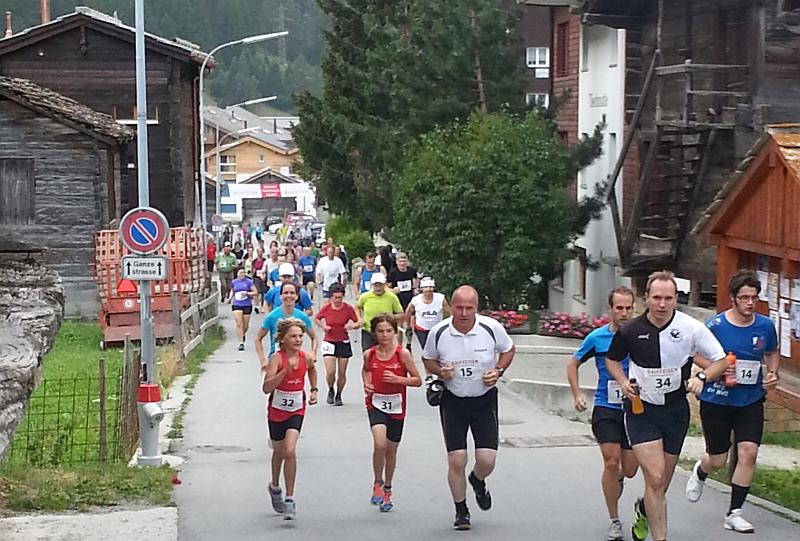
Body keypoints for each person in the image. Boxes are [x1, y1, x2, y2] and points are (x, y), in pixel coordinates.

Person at [605, 270, 726, 541]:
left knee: (661, 483)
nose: (662, 304)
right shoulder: (630, 330)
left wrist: (702, 377)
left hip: (674, 411)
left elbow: (721, 359)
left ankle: (645, 510)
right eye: (656, 297)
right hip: (641, 410)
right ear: (646, 298)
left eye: (668, 298)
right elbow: (612, 360)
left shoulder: (691, 327)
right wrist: (623, 381)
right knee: (655, 477)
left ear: (676, 299)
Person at [684, 270, 780, 533]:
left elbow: (771, 353)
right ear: (733, 299)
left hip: (750, 400)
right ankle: (702, 471)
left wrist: (772, 373)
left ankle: (734, 512)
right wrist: (720, 368)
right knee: (717, 459)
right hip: (718, 399)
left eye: (754, 298)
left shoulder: (765, 326)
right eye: (745, 297)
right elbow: (696, 355)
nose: (750, 303)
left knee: (749, 452)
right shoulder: (716, 327)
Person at [422, 285, 515, 531]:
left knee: (486, 460)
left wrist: (499, 371)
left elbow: (508, 350)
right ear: (451, 307)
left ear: (476, 308)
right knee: (457, 458)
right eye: (459, 308)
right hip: (453, 401)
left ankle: (477, 479)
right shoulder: (439, 331)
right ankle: (461, 510)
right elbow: (428, 359)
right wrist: (439, 371)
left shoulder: (490, 328)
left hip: (484, 400)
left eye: (469, 308)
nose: (463, 313)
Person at [567, 287, 639, 541]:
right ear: (610, 309)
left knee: (629, 469)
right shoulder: (597, 338)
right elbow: (573, 363)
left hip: (636, 410)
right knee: (610, 461)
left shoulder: (642, 335)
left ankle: (619, 476)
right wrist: (577, 394)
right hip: (606, 408)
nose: (624, 313)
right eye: (619, 308)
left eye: (628, 307)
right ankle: (615, 520)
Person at [362, 313, 422, 512]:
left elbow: (417, 380)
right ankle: (377, 483)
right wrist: (367, 383)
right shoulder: (369, 354)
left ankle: (388, 488)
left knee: (391, 449)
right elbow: (366, 370)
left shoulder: (402, 354)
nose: (385, 335)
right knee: (379, 444)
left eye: (389, 331)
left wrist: (399, 380)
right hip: (376, 403)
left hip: (396, 405)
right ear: (374, 333)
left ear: (395, 332)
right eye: (380, 331)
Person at [263, 318, 319, 521]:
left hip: (297, 409)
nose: (297, 340)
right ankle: (275, 486)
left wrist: (313, 390)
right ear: (283, 339)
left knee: (290, 450)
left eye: (300, 336)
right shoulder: (277, 359)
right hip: (276, 411)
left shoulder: (306, 357)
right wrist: (283, 373)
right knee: (278, 452)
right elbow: (266, 388)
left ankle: (290, 498)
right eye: (293, 336)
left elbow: (312, 369)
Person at [314, 283, 361, 405]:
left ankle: (339, 394)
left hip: (343, 341)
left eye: (340, 297)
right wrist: (323, 326)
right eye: (335, 297)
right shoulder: (327, 308)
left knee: (341, 373)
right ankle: (330, 389)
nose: (338, 300)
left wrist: (351, 326)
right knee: (330, 371)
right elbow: (317, 318)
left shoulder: (348, 309)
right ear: (331, 297)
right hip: (329, 340)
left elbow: (358, 322)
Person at [255, 282, 318, 360]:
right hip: (276, 361)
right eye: (285, 293)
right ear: (280, 296)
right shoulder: (272, 316)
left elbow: (314, 338)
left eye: (292, 293)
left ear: (296, 296)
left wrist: (313, 352)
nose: (289, 296)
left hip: (296, 361)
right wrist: (262, 360)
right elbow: (258, 338)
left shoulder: (302, 316)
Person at [406, 277, 450, 367]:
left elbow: (449, 312)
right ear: (422, 289)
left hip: (437, 329)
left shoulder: (440, 298)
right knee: (427, 353)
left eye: (430, 287)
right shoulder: (416, 300)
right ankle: (428, 374)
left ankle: (440, 372)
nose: (428, 290)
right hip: (422, 329)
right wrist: (408, 326)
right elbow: (408, 312)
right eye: (426, 287)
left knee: (439, 351)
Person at [357, 273, 404, 352]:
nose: (378, 288)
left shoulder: (392, 297)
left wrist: (390, 317)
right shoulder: (365, 296)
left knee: (385, 356)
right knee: (368, 356)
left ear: (385, 284)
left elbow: (401, 314)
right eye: (376, 285)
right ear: (372, 285)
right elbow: (357, 307)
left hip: (385, 333)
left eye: (381, 285)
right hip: (369, 332)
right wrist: (359, 318)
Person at [387, 252, 419, 347]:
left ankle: (408, 344)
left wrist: (415, 288)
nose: (402, 263)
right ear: (397, 262)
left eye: (404, 261)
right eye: (400, 261)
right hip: (398, 301)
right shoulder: (393, 273)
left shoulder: (411, 271)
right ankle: (399, 346)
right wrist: (393, 290)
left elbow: (416, 280)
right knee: (400, 325)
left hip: (410, 300)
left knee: (409, 324)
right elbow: (387, 287)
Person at [230, 268, 258, 351]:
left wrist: (247, 293)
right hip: (236, 304)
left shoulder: (249, 282)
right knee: (239, 323)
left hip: (247, 304)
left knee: (245, 325)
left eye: (243, 272)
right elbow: (232, 291)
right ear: (237, 274)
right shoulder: (234, 282)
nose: (242, 274)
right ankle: (241, 343)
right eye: (240, 272)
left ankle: (242, 334)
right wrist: (229, 298)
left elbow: (255, 292)